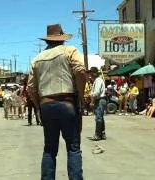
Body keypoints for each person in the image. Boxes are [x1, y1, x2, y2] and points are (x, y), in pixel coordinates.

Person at [27, 24, 86, 179]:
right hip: (67, 102)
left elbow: (31, 88)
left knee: (49, 150)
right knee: (73, 148)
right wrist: (80, 95)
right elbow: (80, 71)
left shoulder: (37, 58)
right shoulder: (69, 51)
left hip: (46, 104)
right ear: (62, 39)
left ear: (48, 40)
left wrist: (39, 106)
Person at [89, 67, 107, 141]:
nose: (90, 74)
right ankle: (102, 134)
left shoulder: (98, 80)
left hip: (99, 100)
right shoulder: (97, 80)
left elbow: (96, 93)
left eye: (91, 72)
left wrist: (92, 102)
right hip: (100, 100)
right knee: (100, 117)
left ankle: (97, 135)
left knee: (98, 118)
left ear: (94, 73)